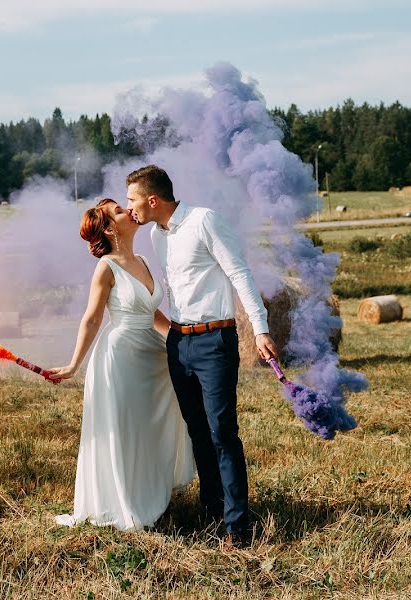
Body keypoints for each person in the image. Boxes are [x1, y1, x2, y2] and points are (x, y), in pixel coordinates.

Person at [126, 165, 278, 548]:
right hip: (179, 343)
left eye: (132, 200)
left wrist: (259, 329)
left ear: (153, 200)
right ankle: (213, 511)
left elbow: (239, 273)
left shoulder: (203, 221)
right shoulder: (157, 237)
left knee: (223, 433)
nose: (130, 209)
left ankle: (238, 527)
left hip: (215, 342)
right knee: (197, 432)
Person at [48, 198, 195, 531]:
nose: (128, 211)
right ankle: (124, 502)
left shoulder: (142, 259)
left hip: (152, 353)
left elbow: (152, 313)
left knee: (152, 423)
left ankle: (150, 489)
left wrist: (182, 340)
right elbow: (92, 319)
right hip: (121, 356)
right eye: (118, 211)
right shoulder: (107, 267)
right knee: (126, 427)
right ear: (111, 229)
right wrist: (73, 365)